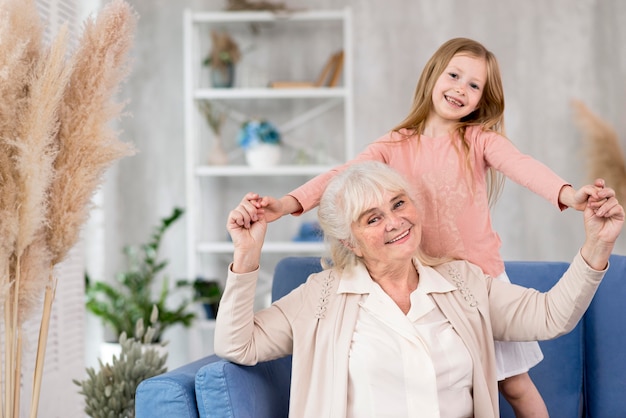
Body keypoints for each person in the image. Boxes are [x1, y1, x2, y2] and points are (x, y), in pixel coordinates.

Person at [235, 37, 603, 416]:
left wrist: (568, 195)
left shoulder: (477, 141)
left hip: (476, 284)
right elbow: (343, 176)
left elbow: (523, 167)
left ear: (482, 99)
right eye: (455, 75)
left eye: (474, 85)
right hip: (428, 283)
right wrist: (285, 205)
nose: (461, 88)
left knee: (515, 386)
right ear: (432, 77)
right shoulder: (394, 145)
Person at [217, 161, 623, 418]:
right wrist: (247, 254)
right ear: (350, 243)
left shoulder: (462, 282)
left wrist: (597, 245)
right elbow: (238, 345)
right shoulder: (318, 297)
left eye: (398, 204)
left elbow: (551, 316)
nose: (394, 222)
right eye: (372, 219)